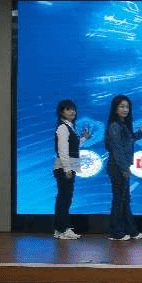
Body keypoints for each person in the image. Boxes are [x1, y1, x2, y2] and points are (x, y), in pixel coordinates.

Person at [104, 95, 142, 241]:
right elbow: (117, 149)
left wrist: (139, 134)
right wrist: (124, 169)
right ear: (115, 109)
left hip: (121, 166)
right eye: (121, 106)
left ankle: (130, 229)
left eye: (127, 107)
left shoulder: (122, 125)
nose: (125, 109)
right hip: (117, 166)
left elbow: (127, 141)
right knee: (119, 200)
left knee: (125, 199)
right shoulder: (115, 125)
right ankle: (115, 232)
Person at [52, 99, 91, 240]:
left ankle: (60, 229)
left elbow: (73, 145)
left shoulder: (70, 126)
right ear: (61, 112)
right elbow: (62, 150)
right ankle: (63, 229)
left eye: (73, 109)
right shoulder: (63, 128)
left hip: (68, 167)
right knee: (64, 200)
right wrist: (67, 169)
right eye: (68, 109)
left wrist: (84, 138)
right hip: (64, 168)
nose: (72, 111)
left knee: (65, 199)